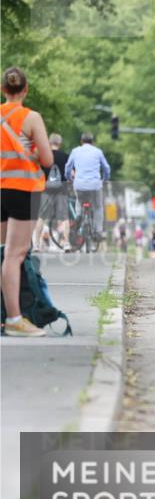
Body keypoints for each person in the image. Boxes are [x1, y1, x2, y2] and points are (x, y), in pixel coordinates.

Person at [1, 67, 54, 337]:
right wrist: (31, 155)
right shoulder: (31, 117)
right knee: (15, 255)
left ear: (3, 89)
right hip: (21, 190)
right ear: (25, 89)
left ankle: (5, 315)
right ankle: (14, 319)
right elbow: (47, 159)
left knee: (2, 252)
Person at [65, 131, 111, 241]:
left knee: (79, 200)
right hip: (95, 186)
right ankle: (98, 231)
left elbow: (68, 167)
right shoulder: (98, 152)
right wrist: (105, 179)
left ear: (81, 141)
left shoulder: (75, 151)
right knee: (98, 207)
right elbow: (106, 168)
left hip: (79, 185)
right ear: (92, 142)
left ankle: (78, 217)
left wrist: (69, 178)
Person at [34, 132, 70, 248]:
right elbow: (69, 173)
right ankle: (66, 243)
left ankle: (36, 244)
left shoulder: (44, 155)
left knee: (41, 216)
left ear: (49, 143)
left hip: (46, 189)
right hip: (61, 189)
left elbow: (38, 171)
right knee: (64, 217)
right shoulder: (65, 156)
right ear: (60, 143)